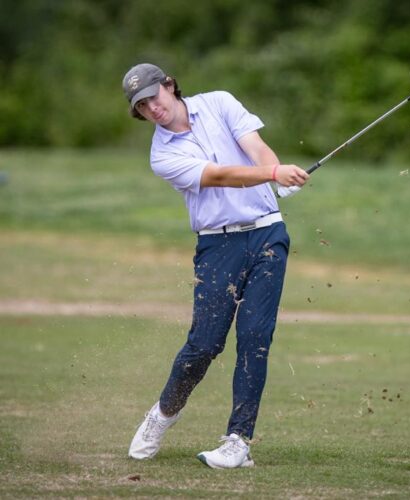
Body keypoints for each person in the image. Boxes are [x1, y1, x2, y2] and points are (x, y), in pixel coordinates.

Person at [122, 62, 309, 469]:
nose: (152, 107)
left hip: (267, 234)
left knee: (255, 336)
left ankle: (238, 441)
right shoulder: (163, 155)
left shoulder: (220, 102)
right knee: (205, 345)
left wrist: (275, 174)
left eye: (154, 96)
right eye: (142, 105)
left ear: (169, 86)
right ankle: (163, 414)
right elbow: (222, 175)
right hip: (217, 245)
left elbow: (255, 146)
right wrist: (274, 172)